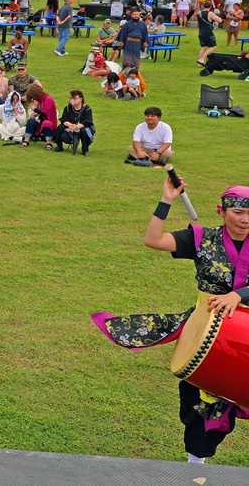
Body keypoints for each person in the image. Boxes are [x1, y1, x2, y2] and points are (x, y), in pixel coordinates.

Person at [93, 178, 249, 463]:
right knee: (200, 403)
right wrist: (166, 201)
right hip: (208, 330)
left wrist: (239, 296)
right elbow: (153, 240)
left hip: (245, 330)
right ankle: (195, 464)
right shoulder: (202, 238)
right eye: (238, 212)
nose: (244, 219)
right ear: (221, 210)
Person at [52, 90, 95, 155]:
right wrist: (70, 125)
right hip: (70, 124)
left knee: (84, 131)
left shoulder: (87, 109)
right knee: (60, 127)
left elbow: (88, 122)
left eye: (74, 98)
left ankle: (85, 149)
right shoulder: (67, 108)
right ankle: (59, 145)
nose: (72, 100)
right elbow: (64, 119)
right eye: (71, 98)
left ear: (81, 99)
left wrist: (76, 127)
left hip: (82, 126)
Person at [22, 84, 58, 149]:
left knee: (46, 123)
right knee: (31, 121)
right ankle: (26, 140)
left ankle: (49, 143)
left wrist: (35, 109)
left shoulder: (48, 99)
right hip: (41, 122)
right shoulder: (40, 101)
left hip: (50, 123)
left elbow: (44, 113)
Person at [196, 2, 224, 66]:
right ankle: (202, 59)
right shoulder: (210, 13)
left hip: (200, 32)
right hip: (208, 33)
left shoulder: (199, 13)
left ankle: (199, 62)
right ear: (210, 6)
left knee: (203, 47)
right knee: (213, 46)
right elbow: (219, 20)